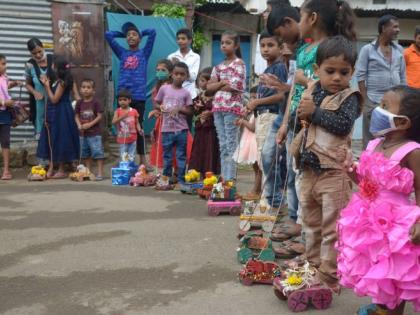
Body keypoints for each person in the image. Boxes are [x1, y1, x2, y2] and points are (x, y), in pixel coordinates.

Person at [337, 86, 420, 315]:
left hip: (396, 224)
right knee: (376, 266)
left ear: (402, 122)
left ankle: (392, 311)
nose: (377, 110)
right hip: (367, 217)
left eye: (385, 106)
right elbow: (364, 181)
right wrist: (350, 170)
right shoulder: (375, 144)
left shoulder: (412, 151)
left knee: (395, 272)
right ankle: (381, 307)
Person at [289, 36, 361, 292]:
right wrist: (299, 116)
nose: (337, 78)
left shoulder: (350, 97)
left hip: (334, 174)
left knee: (332, 229)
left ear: (352, 72)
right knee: (311, 224)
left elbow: (342, 125)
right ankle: (312, 266)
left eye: (344, 72)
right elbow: (299, 123)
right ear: (317, 69)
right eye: (330, 71)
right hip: (309, 171)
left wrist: (314, 113)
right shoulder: (312, 91)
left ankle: (329, 276)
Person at [245, 31, 287, 207]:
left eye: (270, 45)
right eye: (262, 46)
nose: (266, 49)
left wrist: (257, 102)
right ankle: (269, 197)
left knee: (269, 159)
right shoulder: (268, 69)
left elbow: (281, 95)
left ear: (280, 47)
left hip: (271, 115)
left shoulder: (278, 67)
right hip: (262, 116)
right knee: (265, 158)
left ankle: (271, 199)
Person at [105, 22, 156, 167]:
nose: (130, 37)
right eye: (128, 35)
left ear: (140, 38)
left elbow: (152, 31)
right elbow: (108, 35)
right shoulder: (122, 53)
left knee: (138, 128)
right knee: (123, 128)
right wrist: (124, 32)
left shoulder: (144, 53)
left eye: (134, 35)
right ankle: (125, 159)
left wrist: (140, 30)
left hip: (138, 96)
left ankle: (143, 160)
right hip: (123, 96)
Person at [356, 15, 406, 149]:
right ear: (383, 28)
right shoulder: (367, 49)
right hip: (373, 101)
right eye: (395, 26)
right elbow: (360, 76)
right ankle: (366, 166)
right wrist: (365, 100)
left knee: (391, 137)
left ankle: (385, 166)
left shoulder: (399, 50)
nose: (398, 30)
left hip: (394, 103)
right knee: (370, 139)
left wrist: (403, 99)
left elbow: (402, 76)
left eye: (398, 27)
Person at [207, 30, 246, 182]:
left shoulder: (239, 64)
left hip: (232, 109)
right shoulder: (218, 67)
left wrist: (217, 85)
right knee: (222, 144)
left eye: (228, 43)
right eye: (222, 43)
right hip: (218, 108)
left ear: (236, 46)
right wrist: (221, 84)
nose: (224, 45)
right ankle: (224, 178)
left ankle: (230, 179)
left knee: (231, 143)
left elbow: (236, 86)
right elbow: (208, 88)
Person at [37, 55, 80, 179]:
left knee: (61, 138)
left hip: (60, 112)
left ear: (56, 68)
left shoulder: (61, 82)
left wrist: (46, 86)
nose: (51, 66)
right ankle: (52, 167)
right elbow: (76, 96)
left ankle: (61, 169)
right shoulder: (61, 80)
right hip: (56, 112)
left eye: (52, 65)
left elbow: (54, 99)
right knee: (53, 138)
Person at [154, 62, 193, 187]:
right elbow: (156, 103)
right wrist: (160, 107)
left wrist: (179, 109)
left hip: (182, 130)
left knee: (181, 156)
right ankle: (165, 181)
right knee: (167, 157)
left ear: (186, 76)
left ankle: (181, 180)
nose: (179, 76)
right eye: (176, 74)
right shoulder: (164, 89)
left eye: (182, 74)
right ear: (171, 74)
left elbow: (190, 111)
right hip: (166, 129)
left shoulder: (186, 93)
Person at [189, 67, 221, 175]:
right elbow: (194, 111)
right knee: (199, 149)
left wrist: (210, 112)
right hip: (201, 129)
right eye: (201, 80)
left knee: (210, 149)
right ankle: (196, 173)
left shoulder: (218, 97)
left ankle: (210, 173)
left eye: (207, 80)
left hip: (212, 129)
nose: (203, 83)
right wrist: (197, 109)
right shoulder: (199, 96)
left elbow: (220, 110)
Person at [25, 38, 55, 139]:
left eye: (39, 51)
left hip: (54, 99)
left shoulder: (53, 59)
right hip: (39, 101)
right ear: (30, 53)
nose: (38, 55)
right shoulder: (29, 65)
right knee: (40, 121)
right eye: (34, 53)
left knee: (54, 123)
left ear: (43, 48)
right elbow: (27, 84)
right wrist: (34, 92)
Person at [75, 79, 104, 180]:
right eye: (83, 87)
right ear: (80, 89)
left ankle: (100, 172)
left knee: (98, 152)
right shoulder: (79, 103)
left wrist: (90, 124)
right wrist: (79, 124)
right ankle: (88, 171)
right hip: (83, 133)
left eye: (88, 87)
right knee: (85, 153)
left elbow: (100, 116)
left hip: (94, 133)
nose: (86, 89)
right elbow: (76, 116)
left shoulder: (96, 103)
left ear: (93, 91)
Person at [234, 86, 260, 197]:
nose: (251, 101)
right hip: (250, 142)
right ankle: (258, 188)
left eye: (254, 98)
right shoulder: (253, 113)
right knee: (255, 167)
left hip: (255, 143)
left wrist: (243, 122)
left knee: (259, 168)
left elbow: (253, 128)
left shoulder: (258, 113)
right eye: (250, 98)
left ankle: (256, 190)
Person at [149, 59, 174, 170]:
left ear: (170, 72)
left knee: (173, 145)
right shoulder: (156, 88)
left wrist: (160, 108)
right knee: (162, 146)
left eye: (163, 70)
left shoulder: (174, 87)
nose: (159, 72)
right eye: (158, 70)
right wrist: (157, 111)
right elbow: (156, 104)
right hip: (161, 121)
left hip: (173, 122)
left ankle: (175, 171)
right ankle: (164, 172)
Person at [0, 54, 22, 180]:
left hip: (5, 114)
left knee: (5, 142)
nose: (5, 66)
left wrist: (13, 84)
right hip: (3, 108)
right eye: (3, 64)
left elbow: (3, 89)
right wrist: (3, 102)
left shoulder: (4, 77)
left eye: (5, 63)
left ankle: (6, 170)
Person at [168, 28, 200, 100]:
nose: (180, 41)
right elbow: (169, 76)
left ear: (190, 40)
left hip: (190, 94)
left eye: (183, 38)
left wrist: (178, 64)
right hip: (174, 94)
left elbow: (192, 78)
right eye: (178, 39)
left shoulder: (196, 57)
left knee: (188, 111)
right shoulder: (171, 57)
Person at [112, 89, 142, 160]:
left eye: (124, 100)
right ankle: (124, 169)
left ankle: (131, 169)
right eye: (120, 100)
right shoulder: (117, 111)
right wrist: (122, 117)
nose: (122, 102)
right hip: (122, 139)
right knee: (123, 156)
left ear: (129, 100)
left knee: (132, 156)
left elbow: (137, 123)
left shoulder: (134, 111)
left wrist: (140, 130)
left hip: (133, 138)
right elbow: (113, 122)